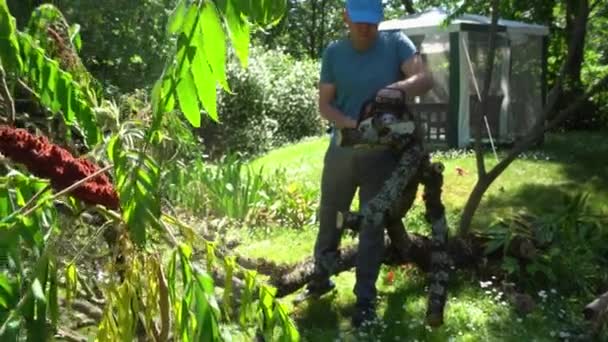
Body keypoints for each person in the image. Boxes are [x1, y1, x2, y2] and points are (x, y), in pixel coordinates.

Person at [297, 0, 434, 328]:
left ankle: (365, 301)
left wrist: (395, 89)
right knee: (330, 216)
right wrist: (349, 124)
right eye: (358, 20)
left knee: (372, 226)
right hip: (342, 151)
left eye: (371, 21)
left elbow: (424, 78)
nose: (364, 27)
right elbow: (325, 104)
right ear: (346, 16)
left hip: (383, 156)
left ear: (380, 19)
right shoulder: (334, 53)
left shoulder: (396, 43)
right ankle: (321, 278)